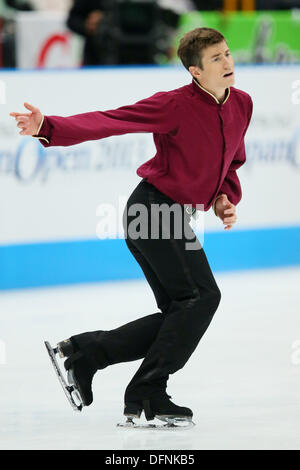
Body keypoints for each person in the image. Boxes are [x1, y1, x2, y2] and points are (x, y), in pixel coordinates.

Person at [10, 27, 253, 424]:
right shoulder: (175, 105)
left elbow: (232, 159)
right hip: (154, 211)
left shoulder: (242, 104)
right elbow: (111, 121)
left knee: (181, 311)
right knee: (202, 298)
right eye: (216, 59)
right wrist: (48, 127)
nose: (227, 63)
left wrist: (225, 198)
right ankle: (147, 390)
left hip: (172, 215)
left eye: (227, 53)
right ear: (195, 71)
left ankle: (85, 355)